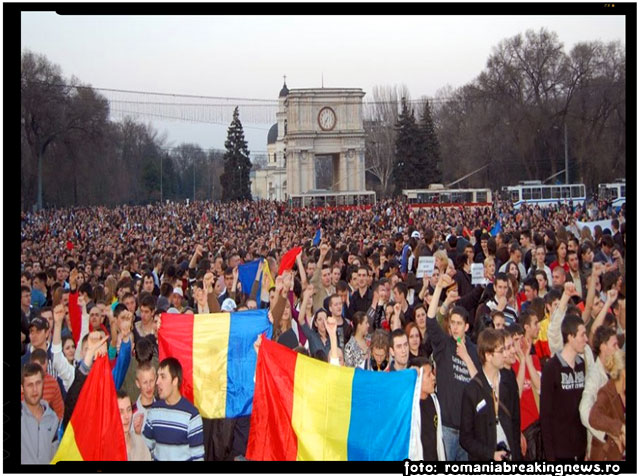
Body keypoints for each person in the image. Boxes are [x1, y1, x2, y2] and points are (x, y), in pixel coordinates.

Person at [426, 273, 480, 461]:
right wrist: (439, 288)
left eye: (459, 324)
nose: (455, 327)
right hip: (447, 427)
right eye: (453, 323)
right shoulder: (444, 345)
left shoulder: (474, 351)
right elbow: (431, 320)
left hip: (468, 429)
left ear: (466, 327)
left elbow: (480, 384)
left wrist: (466, 357)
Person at [460, 328, 521, 461]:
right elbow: (465, 439)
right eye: (500, 351)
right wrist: (490, 454)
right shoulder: (472, 390)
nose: (505, 354)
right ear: (488, 355)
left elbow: (516, 422)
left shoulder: (508, 379)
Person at [540, 314, 588, 461]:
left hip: (580, 449)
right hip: (559, 451)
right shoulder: (551, 368)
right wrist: (550, 456)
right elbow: (545, 414)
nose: (586, 339)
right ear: (570, 337)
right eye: (582, 335)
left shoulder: (582, 366)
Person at [142, 357, 205, 461]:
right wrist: (136, 433)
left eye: (163, 377)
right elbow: (144, 449)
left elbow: (198, 458)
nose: (157, 382)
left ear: (175, 381)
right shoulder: (154, 411)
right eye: (158, 377)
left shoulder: (192, 416)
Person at [579, 325, 620, 460]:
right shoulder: (594, 376)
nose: (617, 349)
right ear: (603, 347)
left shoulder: (615, 372)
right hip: (602, 451)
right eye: (614, 345)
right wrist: (606, 434)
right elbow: (584, 411)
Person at [588, 349, 625, 461]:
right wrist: (620, 428)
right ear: (624, 372)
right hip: (606, 456)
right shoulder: (606, 392)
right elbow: (594, 417)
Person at [21, 363, 60, 464]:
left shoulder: (53, 419)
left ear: (43, 384)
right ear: (22, 388)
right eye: (30, 385)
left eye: (38, 383)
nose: (35, 390)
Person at [413, 357, 445, 461]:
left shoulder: (434, 400)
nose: (433, 377)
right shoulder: (410, 407)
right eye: (429, 375)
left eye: (433, 373)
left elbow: (438, 439)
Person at [117, 389, 152, 461]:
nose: (127, 416)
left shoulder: (139, 442)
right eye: (121, 412)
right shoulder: (105, 447)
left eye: (129, 410)